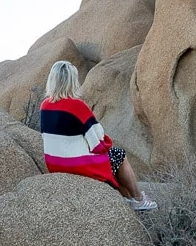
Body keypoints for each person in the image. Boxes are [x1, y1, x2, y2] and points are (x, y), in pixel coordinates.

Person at [40, 60, 157, 211]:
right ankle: (139, 199)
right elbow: (98, 143)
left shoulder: (44, 105)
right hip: (75, 164)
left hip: (54, 163)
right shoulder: (76, 105)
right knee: (118, 155)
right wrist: (106, 144)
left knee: (110, 160)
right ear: (72, 81)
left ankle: (128, 200)